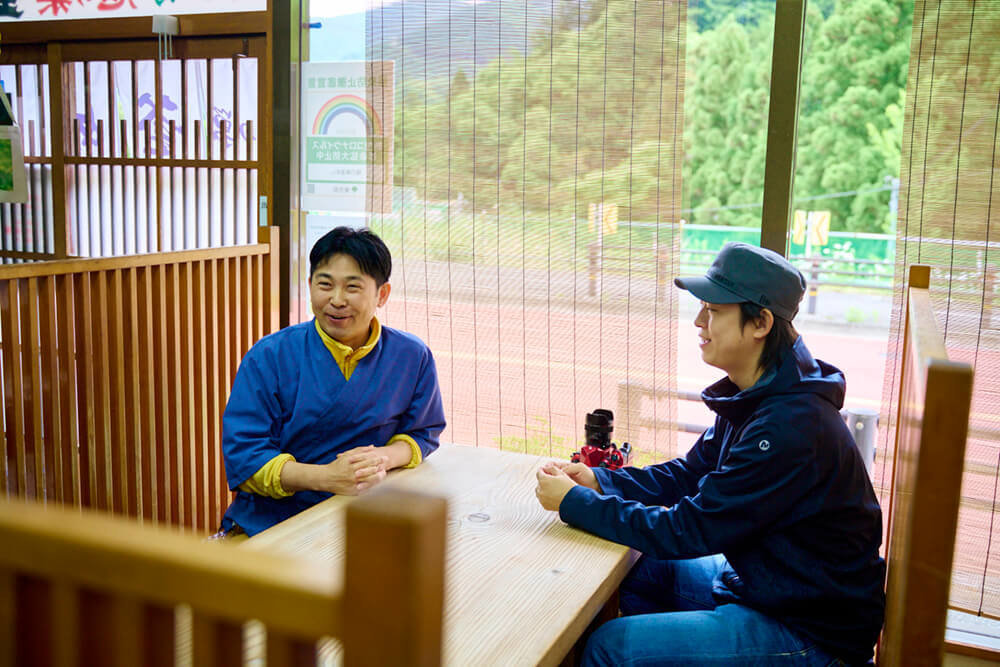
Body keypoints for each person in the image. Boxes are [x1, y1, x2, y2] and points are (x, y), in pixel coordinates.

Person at [535, 242, 885, 665]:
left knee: (611, 649)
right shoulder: (761, 392)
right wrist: (601, 480)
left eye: (714, 311)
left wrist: (575, 503)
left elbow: (688, 529)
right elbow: (688, 474)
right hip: (768, 587)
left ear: (761, 323)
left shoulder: (788, 426)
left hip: (810, 633)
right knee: (640, 572)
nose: (699, 322)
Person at [217, 226, 446, 537]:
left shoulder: (411, 355)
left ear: (382, 294)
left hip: (369, 514)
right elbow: (246, 458)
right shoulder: (269, 356)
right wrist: (327, 477)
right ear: (310, 285)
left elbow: (423, 433)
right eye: (325, 284)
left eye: (352, 287)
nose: (336, 300)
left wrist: (382, 458)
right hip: (272, 521)